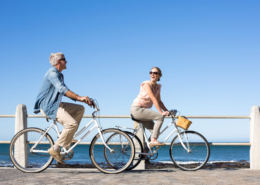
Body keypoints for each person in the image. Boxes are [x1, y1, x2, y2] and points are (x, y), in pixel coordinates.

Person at [34, 52, 93, 165]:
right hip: (48, 106)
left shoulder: (60, 75)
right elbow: (62, 89)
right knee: (72, 124)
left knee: (80, 109)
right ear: (58, 61)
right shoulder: (52, 73)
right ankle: (55, 149)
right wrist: (80, 97)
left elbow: (64, 90)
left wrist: (82, 100)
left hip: (55, 104)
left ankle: (67, 137)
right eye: (64, 59)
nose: (66, 61)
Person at [130, 67, 169, 148]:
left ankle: (145, 153)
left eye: (155, 73)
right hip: (137, 109)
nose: (152, 74)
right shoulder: (146, 84)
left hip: (143, 111)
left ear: (160, 75)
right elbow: (153, 99)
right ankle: (153, 140)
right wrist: (161, 113)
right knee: (160, 117)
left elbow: (159, 101)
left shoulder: (157, 87)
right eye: (151, 72)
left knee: (156, 132)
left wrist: (167, 111)